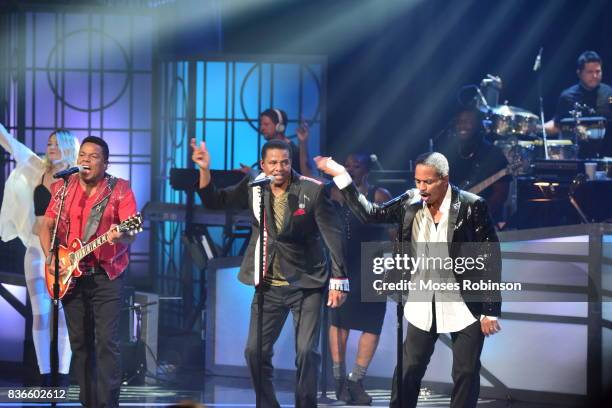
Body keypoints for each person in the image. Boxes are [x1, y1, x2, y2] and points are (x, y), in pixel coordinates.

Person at [314, 152, 502, 408]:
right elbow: (372, 213)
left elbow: (489, 256)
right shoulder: (410, 202)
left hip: (464, 299)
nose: (421, 188)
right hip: (424, 297)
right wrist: (342, 176)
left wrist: (490, 310)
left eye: (428, 182)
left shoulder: (472, 205)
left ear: (445, 179)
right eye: (417, 181)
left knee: (466, 371)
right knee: (409, 367)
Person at [191, 137, 348, 408]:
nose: (279, 168)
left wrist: (339, 280)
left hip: (306, 282)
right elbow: (215, 201)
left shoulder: (313, 190)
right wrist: (205, 170)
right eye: (273, 162)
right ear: (263, 164)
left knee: (307, 352)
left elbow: (333, 236)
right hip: (268, 284)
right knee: (254, 352)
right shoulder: (255, 185)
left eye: (285, 162)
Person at [39, 136, 138, 408]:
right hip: (70, 275)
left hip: (107, 274)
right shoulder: (63, 187)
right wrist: (51, 257)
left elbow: (131, 232)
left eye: (94, 156)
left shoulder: (120, 189)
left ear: (105, 163)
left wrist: (122, 234)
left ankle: (108, 404)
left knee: (106, 342)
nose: (86, 159)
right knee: (79, 342)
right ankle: (87, 402)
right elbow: (47, 225)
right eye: (83, 154)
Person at [0, 125, 77, 385]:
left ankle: (64, 375)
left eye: (56, 143)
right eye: (49, 143)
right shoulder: (36, 167)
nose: (51, 147)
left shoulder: (78, 177)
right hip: (35, 248)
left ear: (68, 147)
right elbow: (8, 141)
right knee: (40, 313)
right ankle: (45, 374)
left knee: (65, 313)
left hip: (66, 253)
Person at [328, 153, 391, 405]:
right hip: (342, 261)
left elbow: (393, 229)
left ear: (366, 170)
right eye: (348, 165)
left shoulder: (379, 194)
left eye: (357, 166)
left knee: (372, 322)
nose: (351, 169)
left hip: (372, 261)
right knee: (340, 320)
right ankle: (339, 380)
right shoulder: (333, 192)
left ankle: (357, 380)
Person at [440, 105, 510, 222]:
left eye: (468, 122)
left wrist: (478, 213)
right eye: (459, 122)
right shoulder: (448, 154)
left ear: (478, 125)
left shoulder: (493, 153)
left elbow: (501, 194)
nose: (462, 125)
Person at [544, 50, 612, 157]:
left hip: (607, 154)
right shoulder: (567, 96)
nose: (595, 75)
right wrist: (537, 128)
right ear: (579, 73)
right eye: (590, 72)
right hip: (577, 156)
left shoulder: (609, 93)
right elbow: (558, 124)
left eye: (598, 71)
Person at [239, 108, 314, 177]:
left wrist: (303, 143)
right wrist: (251, 171)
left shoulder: (292, 150)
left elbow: (305, 176)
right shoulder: (268, 149)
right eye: (261, 125)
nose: (262, 128)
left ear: (279, 126)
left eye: (266, 124)